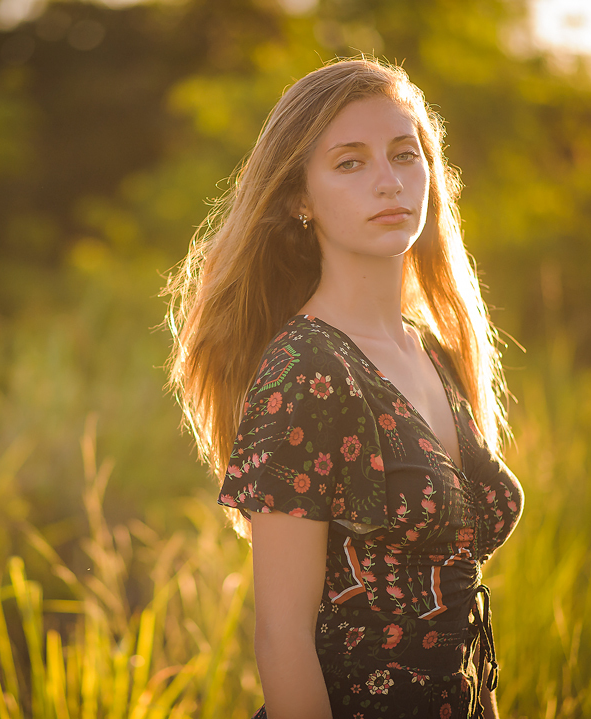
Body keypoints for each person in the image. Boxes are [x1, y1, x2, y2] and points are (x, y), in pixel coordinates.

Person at [165, 57, 524, 719]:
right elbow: (282, 637)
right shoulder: (307, 370)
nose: (388, 183)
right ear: (300, 197)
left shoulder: (435, 351)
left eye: (404, 155)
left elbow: (463, 608)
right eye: (350, 163)